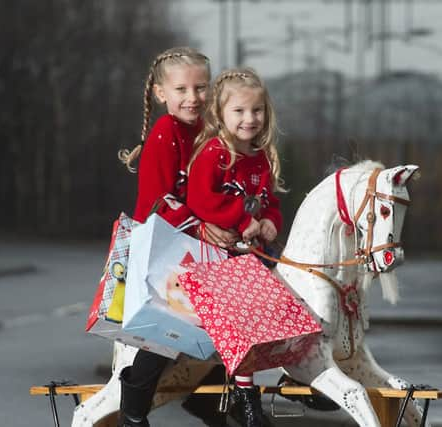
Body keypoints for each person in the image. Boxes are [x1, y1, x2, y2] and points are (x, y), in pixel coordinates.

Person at [117, 47, 237, 427]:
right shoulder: (165, 132)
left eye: (201, 88)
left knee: (235, 319)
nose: (193, 97)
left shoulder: (209, 132)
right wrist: (202, 225)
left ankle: (210, 398)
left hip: (196, 246)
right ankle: (132, 413)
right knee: (171, 327)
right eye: (182, 88)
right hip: (163, 247)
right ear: (160, 93)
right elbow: (159, 200)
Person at [187, 68, 285, 427]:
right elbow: (200, 199)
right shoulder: (215, 152)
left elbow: (268, 200)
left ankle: (304, 376)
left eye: (256, 111)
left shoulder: (260, 158)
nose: (249, 119)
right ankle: (247, 401)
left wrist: (271, 220)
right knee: (245, 318)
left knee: (296, 297)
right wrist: (243, 222)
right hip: (217, 253)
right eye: (239, 112)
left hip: (252, 253)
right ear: (220, 114)